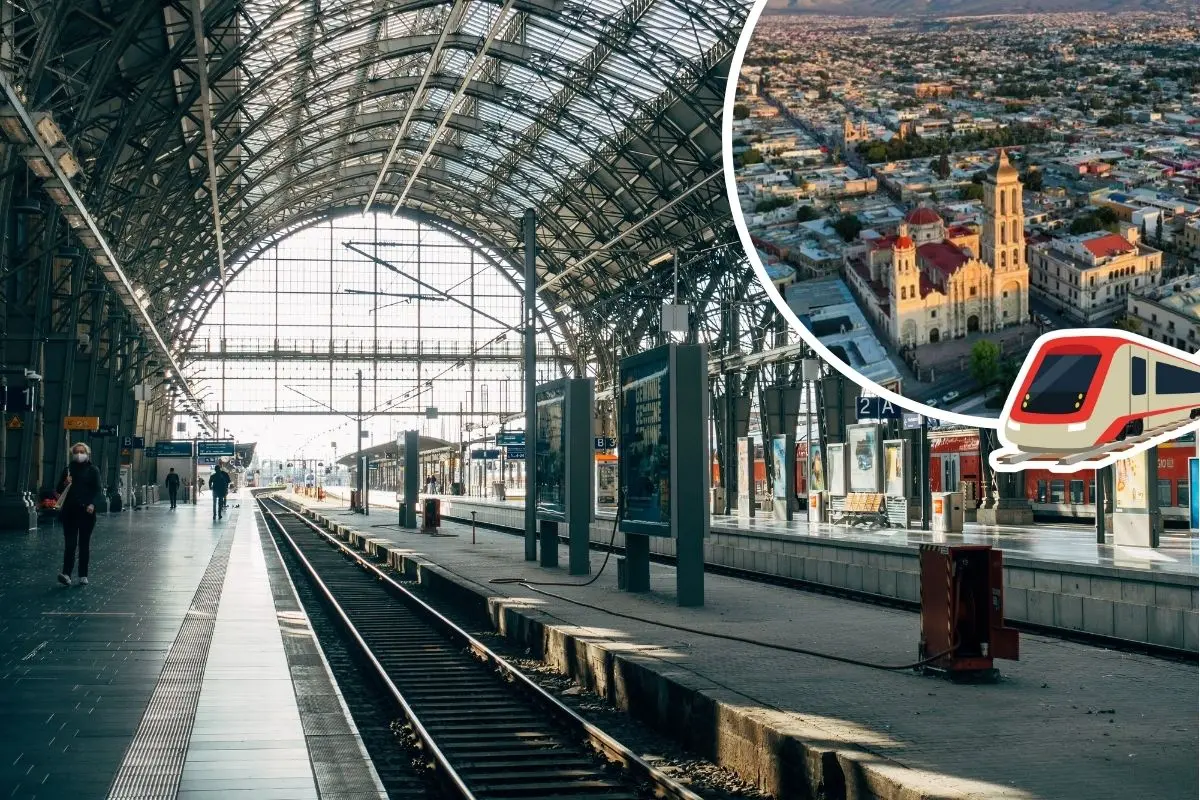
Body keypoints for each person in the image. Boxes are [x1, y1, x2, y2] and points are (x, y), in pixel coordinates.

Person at [56, 442, 102, 586]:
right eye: (76, 452)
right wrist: (65, 482)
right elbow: (58, 489)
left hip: (86, 513)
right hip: (69, 512)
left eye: (82, 452)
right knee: (70, 545)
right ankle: (66, 574)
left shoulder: (93, 470)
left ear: (87, 454)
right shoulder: (68, 470)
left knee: (84, 544)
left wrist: (92, 504)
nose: (79, 454)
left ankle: (83, 575)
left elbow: (97, 490)